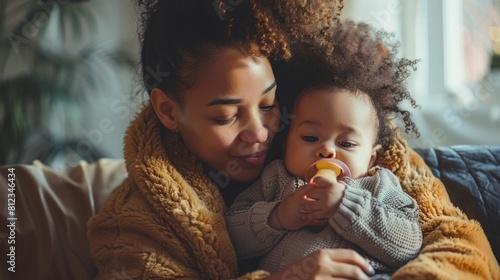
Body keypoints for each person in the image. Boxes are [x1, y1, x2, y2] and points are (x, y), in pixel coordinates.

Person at [87, 1, 500, 280]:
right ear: (167, 110)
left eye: (268, 103)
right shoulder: (133, 224)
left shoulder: (326, 123)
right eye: (226, 115)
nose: (261, 132)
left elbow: (460, 244)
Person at [226, 20, 423, 276]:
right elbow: (231, 238)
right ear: (286, 143)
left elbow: (409, 243)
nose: (327, 151)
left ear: (371, 158)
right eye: (309, 138)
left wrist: (346, 205)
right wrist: (277, 216)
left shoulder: (378, 185)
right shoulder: (274, 180)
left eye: (346, 144)